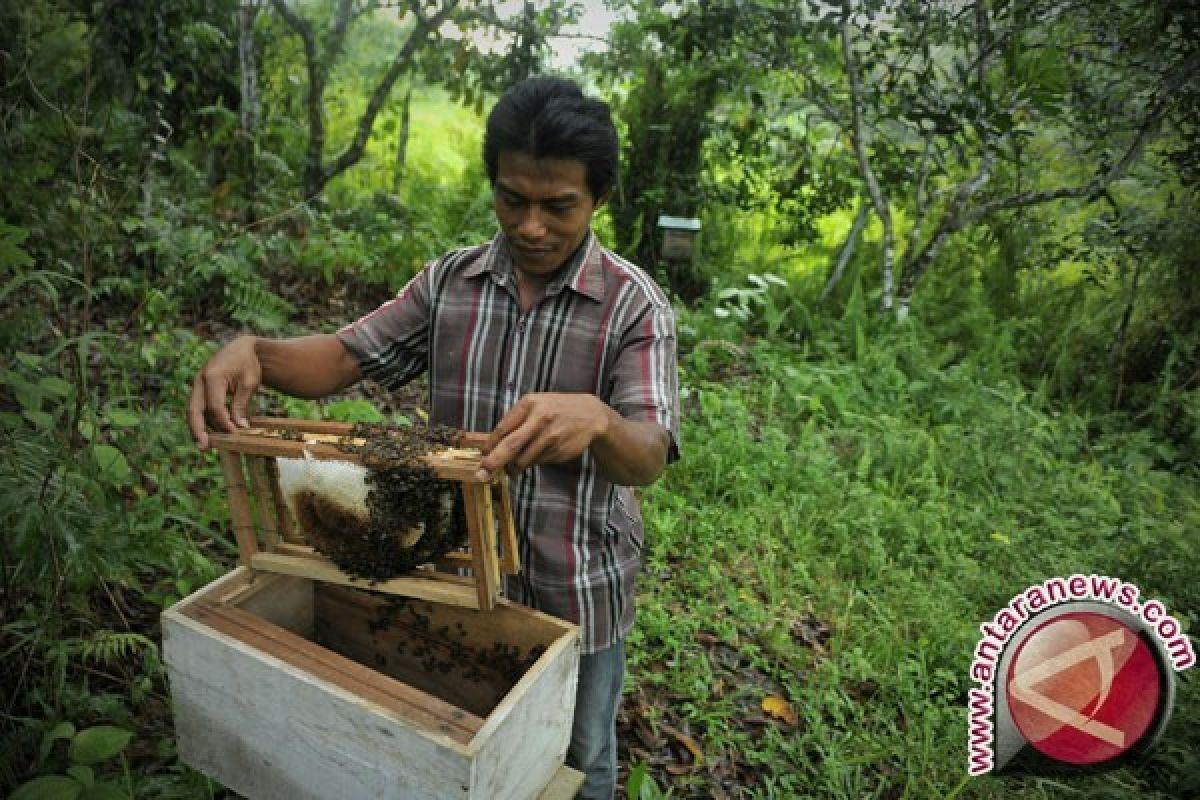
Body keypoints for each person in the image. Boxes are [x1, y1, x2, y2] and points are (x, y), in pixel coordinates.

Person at [187, 75, 680, 799]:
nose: (532, 226)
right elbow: (350, 354)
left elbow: (648, 455)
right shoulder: (453, 282)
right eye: (513, 199)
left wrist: (600, 420)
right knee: (458, 742)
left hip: (575, 586)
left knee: (577, 755)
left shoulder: (634, 306)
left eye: (558, 206)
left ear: (598, 198)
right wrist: (256, 352)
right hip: (453, 572)